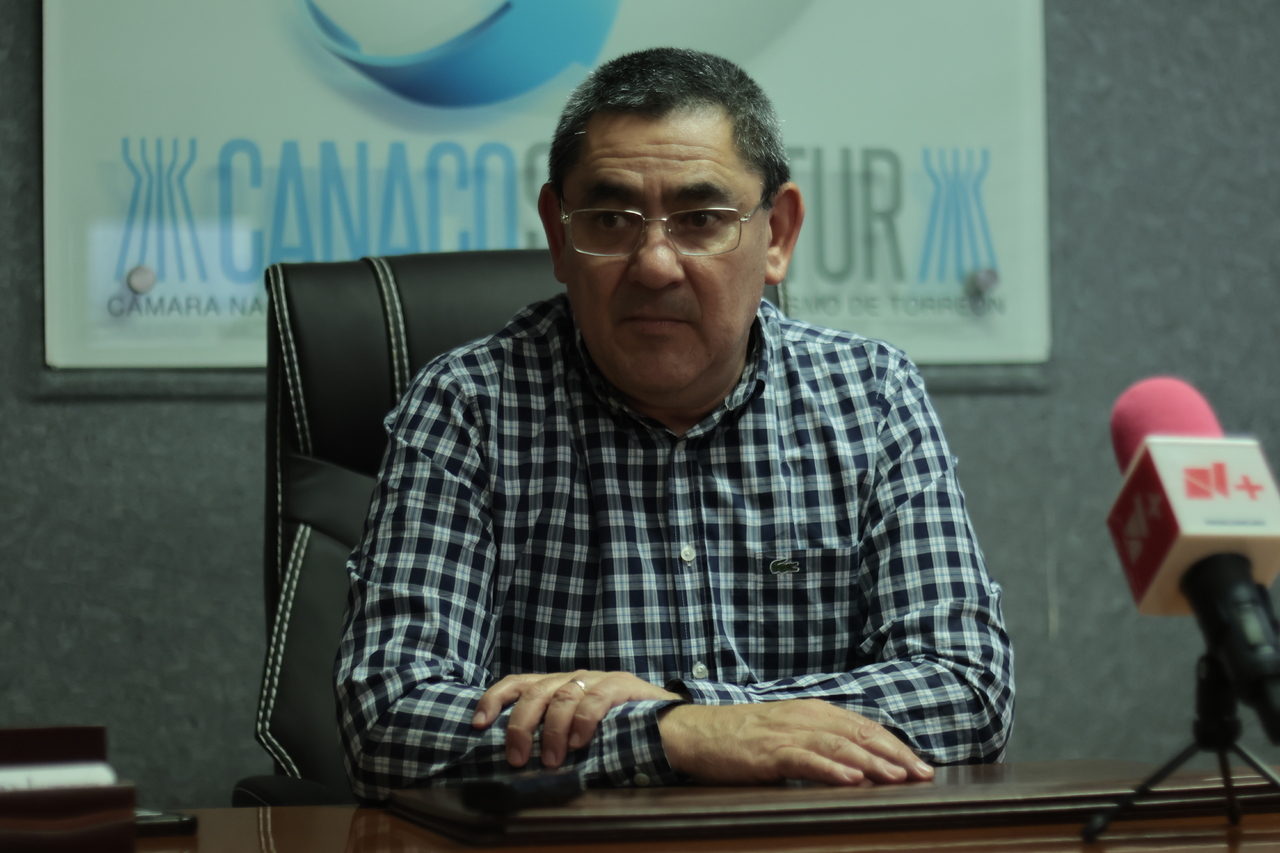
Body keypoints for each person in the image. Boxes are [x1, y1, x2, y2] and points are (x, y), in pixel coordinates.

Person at [336, 47, 1013, 800]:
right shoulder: (470, 406)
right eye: (610, 220)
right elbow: (388, 716)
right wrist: (670, 734)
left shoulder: (870, 395)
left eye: (700, 220)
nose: (655, 264)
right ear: (559, 236)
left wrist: (711, 716)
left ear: (778, 234)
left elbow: (965, 686)